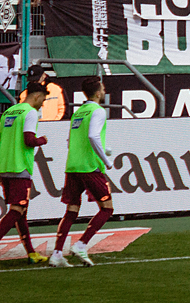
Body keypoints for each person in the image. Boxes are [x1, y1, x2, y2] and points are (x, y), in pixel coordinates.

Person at [51, 75, 112, 267]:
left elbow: (71, 140)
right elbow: (93, 136)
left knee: (71, 209)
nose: (104, 91)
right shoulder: (98, 110)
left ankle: (57, 253)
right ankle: (81, 244)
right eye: (103, 89)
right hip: (89, 166)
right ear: (97, 92)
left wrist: (104, 148)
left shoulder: (79, 112)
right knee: (107, 208)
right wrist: (106, 160)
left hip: (73, 165)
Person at [0, 82, 49, 264]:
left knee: (21, 212)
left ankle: (31, 253)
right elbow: (29, 140)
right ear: (37, 96)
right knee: (16, 211)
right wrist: (42, 140)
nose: (42, 103)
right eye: (43, 99)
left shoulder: (9, 112)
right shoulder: (30, 112)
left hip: (4, 166)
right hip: (20, 167)